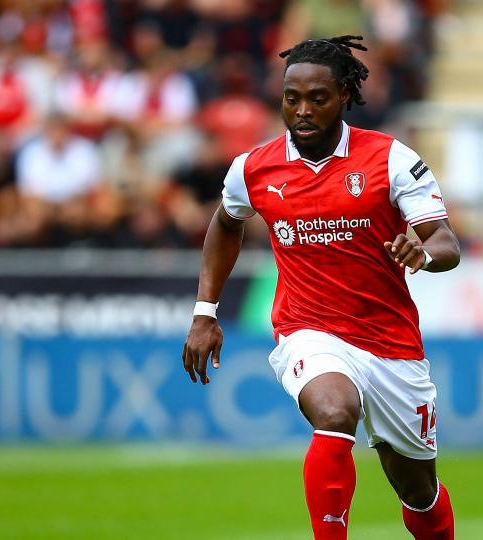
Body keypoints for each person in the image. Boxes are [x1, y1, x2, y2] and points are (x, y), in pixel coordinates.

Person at [182, 35, 459, 540]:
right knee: (333, 410)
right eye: (292, 99)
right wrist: (206, 310)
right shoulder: (253, 168)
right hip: (308, 331)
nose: (303, 110)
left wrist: (422, 253)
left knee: (417, 490)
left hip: (391, 346)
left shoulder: (391, 160)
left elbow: (445, 241)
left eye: (318, 98)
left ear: (345, 97)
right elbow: (226, 222)